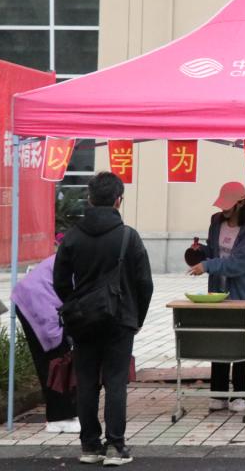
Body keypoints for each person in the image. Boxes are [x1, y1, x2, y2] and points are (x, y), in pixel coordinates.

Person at [53, 172, 153, 466]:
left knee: (86, 382)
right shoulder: (128, 237)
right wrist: (136, 316)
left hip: (83, 320)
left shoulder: (72, 236)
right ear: (118, 200)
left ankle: (89, 446)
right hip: (120, 319)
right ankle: (115, 447)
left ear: (90, 198)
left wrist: (75, 304)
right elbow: (144, 283)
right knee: (115, 382)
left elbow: (59, 281)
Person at [188, 181, 245, 414]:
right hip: (217, 293)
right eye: (222, 205)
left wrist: (208, 265)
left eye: (228, 206)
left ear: (241, 203)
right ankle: (219, 393)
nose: (224, 210)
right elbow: (214, 252)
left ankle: (241, 393)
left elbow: (240, 263)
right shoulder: (216, 221)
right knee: (218, 339)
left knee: (244, 342)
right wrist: (201, 252)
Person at [12, 254, 79, 434]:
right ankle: (60, 418)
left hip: (40, 296)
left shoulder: (84, 248)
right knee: (57, 359)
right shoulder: (91, 257)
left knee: (59, 357)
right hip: (39, 300)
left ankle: (64, 413)